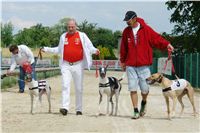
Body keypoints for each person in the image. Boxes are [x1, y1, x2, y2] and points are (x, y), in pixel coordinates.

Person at [120, 11, 174, 119]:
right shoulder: (126, 32)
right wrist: (123, 61)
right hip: (130, 65)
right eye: (126, 20)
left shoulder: (146, 29)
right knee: (132, 88)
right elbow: (123, 47)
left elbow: (157, 38)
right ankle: (135, 111)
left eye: (128, 20)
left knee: (145, 89)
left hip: (143, 65)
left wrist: (167, 44)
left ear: (134, 18)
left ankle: (143, 103)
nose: (127, 22)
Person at [42, 18, 100, 116]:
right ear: (67, 27)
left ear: (76, 26)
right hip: (66, 64)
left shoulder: (82, 35)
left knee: (78, 88)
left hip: (78, 64)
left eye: (72, 27)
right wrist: (46, 49)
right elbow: (58, 49)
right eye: (69, 27)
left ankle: (79, 109)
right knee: (65, 85)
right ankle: (65, 108)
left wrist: (95, 50)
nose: (71, 28)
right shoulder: (63, 36)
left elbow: (89, 46)